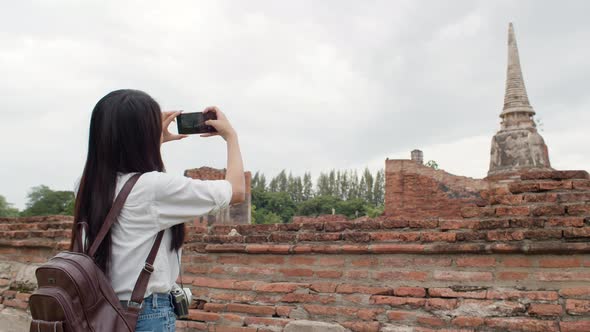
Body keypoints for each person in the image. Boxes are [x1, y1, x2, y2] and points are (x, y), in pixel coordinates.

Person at [71, 89, 245, 331]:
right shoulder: (153, 189)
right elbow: (236, 191)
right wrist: (231, 137)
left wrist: (155, 141)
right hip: (143, 315)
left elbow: (135, 178)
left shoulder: (88, 183)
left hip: (97, 310)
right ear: (143, 135)